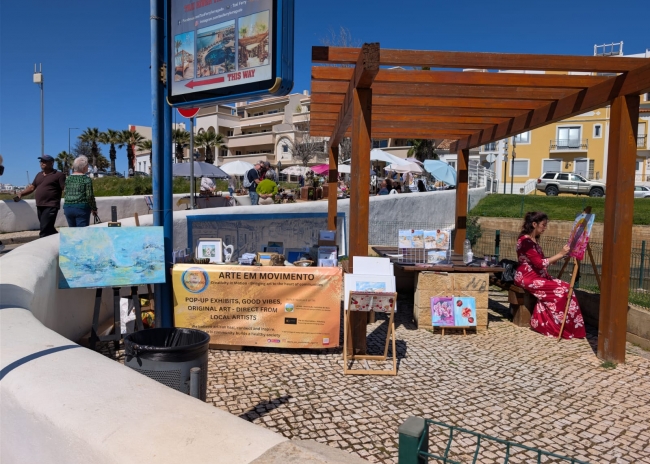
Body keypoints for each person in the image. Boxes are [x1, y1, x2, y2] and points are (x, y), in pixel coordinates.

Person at [514, 211, 586, 339]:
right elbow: (540, 263)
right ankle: (548, 325)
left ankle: (567, 326)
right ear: (534, 224)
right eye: (543, 225)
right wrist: (560, 253)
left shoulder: (532, 240)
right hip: (528, 277)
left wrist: (558, 257)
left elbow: (539, 261)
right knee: (561, 291)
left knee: (567, 287)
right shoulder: (526, 242)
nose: (545, 228)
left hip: (537, 276)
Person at [15, 155, 66, 237]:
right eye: (41, 161)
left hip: (51, 205)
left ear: (51, 163)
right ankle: (61, 239)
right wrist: (22, 193)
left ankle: (41, 243)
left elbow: (64, 188)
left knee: (44, 229)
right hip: (40, 205)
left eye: (45, 161)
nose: (42, 163)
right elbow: (32, 187)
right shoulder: (39, 174)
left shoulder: (59, 175)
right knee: (48, 228)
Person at [63, 156, 97, 227]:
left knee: (72, 231)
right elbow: (89, 196)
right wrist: (94, 208)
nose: (88, 167)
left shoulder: (68, 179)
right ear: (84, 167)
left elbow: (65, 192)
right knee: (81, 232)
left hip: (68, 207)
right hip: (81, 208)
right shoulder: (86, 179)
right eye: (87, 165)